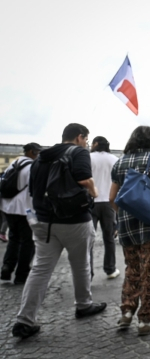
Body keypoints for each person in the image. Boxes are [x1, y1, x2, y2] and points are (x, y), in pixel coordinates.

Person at [13, 124, 107, 339]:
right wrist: (93, 192)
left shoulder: (42, 156)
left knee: (40, 269)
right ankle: (83, 305)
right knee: (81, 263)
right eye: (85, 138)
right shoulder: (79, 152)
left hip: (44, 221)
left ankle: (24, 320)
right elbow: (84, 178)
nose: (86, 143)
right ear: (79, 137)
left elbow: (34, 188)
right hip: (74, 220)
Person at [109, 126, 150, 336]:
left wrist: (125, 215)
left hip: (127, 227)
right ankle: (145, 320)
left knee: (132, 269)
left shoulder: (119, 162)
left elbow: (112, 198)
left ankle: (126, 312)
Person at [0, 143, 41, 285]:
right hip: (25, 209)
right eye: (37, 152)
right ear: (31, 151)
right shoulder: (33, 167)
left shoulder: (14, 163)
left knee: (14, 238)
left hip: (9, 207)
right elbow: (35, 189)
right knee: (27, 241)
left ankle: (7, 267)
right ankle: (22, 274)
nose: (38, 155)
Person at [90, 136, 120, 279]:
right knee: (109, 238)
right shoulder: (114, 159)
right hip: (108, 201)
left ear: (96, 144)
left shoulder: (88, 158)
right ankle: (110, 269)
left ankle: (87, 272)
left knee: (88, 239)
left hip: (91, 201)